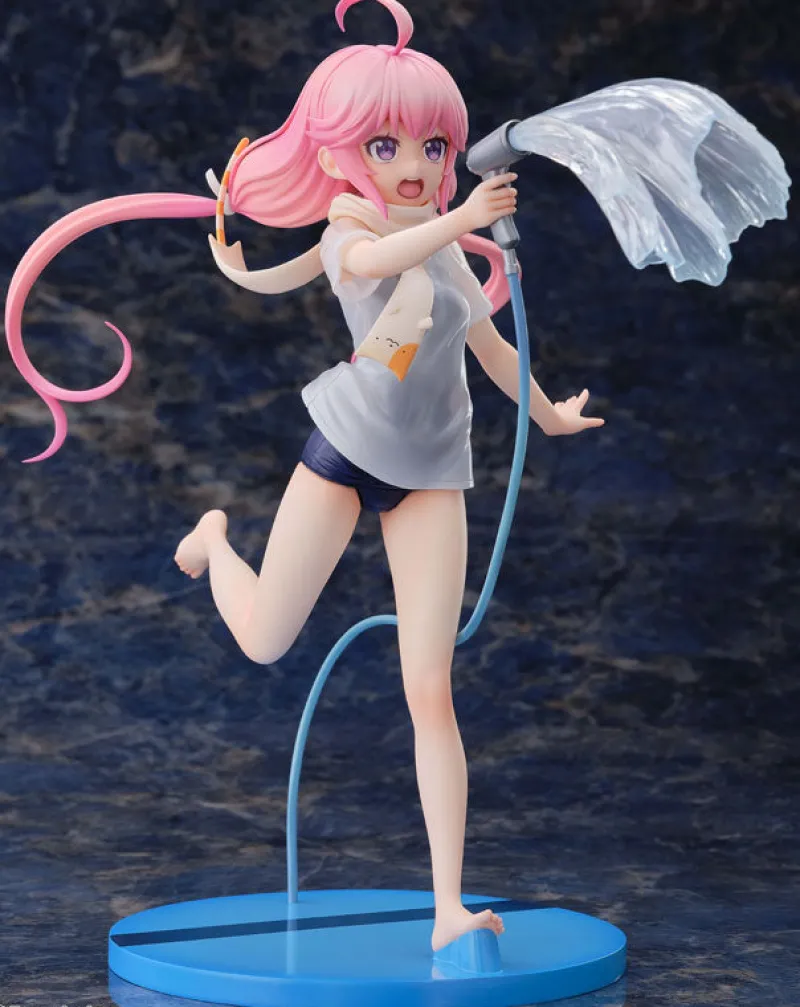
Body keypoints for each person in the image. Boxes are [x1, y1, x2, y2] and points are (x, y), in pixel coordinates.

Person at [4, 0, 602, 954]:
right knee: (265, 639)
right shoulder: (350, 226)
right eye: (385, 146)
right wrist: (460, 216)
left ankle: (448, 906)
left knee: (430, 689)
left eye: (434, 146)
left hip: (432, 472)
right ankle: (215, 540)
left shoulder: (441, 234)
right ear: (340, 154)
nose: (413, 165)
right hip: (347, 449)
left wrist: (546, 412)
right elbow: (371, 259)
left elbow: (489, 346)